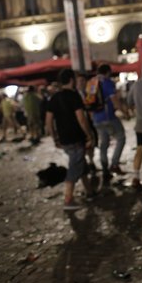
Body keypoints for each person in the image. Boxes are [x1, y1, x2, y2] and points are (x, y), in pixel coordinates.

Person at [45, 69, 96, 210]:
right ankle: (68, 199)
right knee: (74, 167)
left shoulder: (54, 98)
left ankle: (89, 191)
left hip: (64, 138)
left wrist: (54, 137)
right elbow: (81, 118)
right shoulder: (74, 96)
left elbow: (48, 121)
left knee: (80, 162)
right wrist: (89, 134)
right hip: (75, 137)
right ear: (72, 80)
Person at [91, 64, 128, 179]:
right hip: (108, 117)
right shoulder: (107, 82)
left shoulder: (92, 82)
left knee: (104, 143)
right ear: (107, 72)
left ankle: (105, 169)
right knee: (121, 137)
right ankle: (114, 164)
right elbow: (114, 100)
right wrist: (124, 112)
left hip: (96, 119)